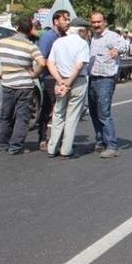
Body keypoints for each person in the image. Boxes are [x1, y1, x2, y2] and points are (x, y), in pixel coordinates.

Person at [0, 17, 46, 155]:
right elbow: (42, 63)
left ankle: (3, 143)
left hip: (8, 84)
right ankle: (15, 146)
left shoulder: (2, 43)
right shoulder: (30, 46)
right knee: (23, 117)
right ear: (29, 30)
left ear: (17, 28)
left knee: (6, 115)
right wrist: (34, 74)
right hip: (25, 85)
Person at [46, 18, 91, 159]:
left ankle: (52, 148)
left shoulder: (58, 42)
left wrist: (61, 82)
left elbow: (50, 63)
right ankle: (66, 150)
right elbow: (79, 66)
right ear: (81, 31)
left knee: (58, 114)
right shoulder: (82, 44)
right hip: (77, 82)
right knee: (72, 117)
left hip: (60, 82)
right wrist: (69, 83)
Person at [88, 12, 129, 158]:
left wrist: (117, 50)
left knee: (104, 113)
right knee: (93, 112)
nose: (96, 25)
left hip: (106, 79)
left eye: (98, 22)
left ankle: (111, 145)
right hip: (93, 78)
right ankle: (100, 141)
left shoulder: (111, 36)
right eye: (93, 22)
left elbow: (125, 45)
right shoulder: (94, 38)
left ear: (104, 22)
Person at [36, 10, 71, 152]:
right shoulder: (49, 36)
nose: (68, 22)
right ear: (56, 21)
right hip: (50, 78)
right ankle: (43, 138)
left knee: (62, 110)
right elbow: (42, 59)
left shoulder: (64, 37)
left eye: (68, 20)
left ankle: (59, 139)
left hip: (64, 78)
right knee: (50, 109)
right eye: (65, 19)